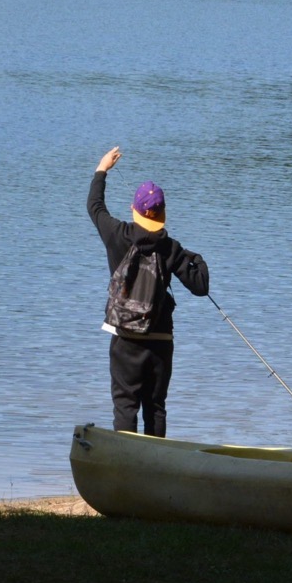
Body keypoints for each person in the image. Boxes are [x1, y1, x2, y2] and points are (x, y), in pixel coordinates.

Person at [87, 146, 209, 437]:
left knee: (125, 405)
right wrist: (196, 258)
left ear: (134, 209)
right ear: (163, 214)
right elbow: (201, 286)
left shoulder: (117, 235)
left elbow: (95, 206)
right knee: (155, 406)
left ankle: (127, 464)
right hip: (161, 341)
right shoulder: (172, 248)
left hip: (126, 339)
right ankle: (154, 465)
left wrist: (101, 170)